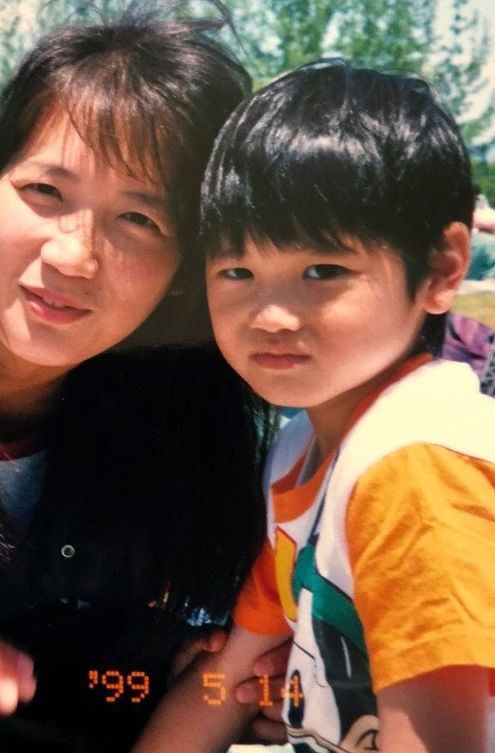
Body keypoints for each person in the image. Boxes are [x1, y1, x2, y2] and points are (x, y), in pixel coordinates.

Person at [0, 0, 287, 752]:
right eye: (45, 191)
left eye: (140, 220)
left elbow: (203, 676)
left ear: (188, 266)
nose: (73, 257)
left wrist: (221, 683)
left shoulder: (188, 420)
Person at [130, 61, 495, 753]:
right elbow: (233, 677)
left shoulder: (414, 467)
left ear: (445, 268)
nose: (269, 314)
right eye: (236, 270)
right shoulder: (302, 452)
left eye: (322, 271)